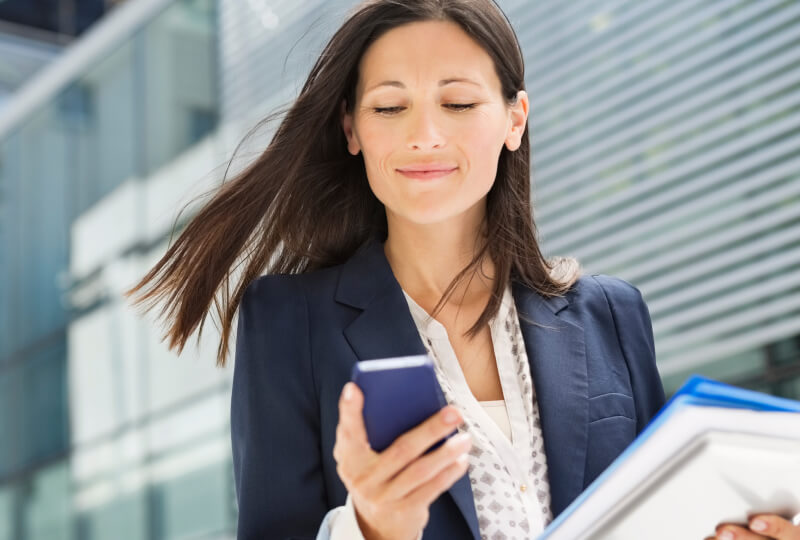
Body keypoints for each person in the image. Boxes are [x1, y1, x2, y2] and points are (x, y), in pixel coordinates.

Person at [126, 1, 800, 539]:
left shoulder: (611, 314)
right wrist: (372, 529)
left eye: (458, 102)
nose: (424, 136)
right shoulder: (289, 323)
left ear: (515, 118)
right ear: (352, 129)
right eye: (390, 106)